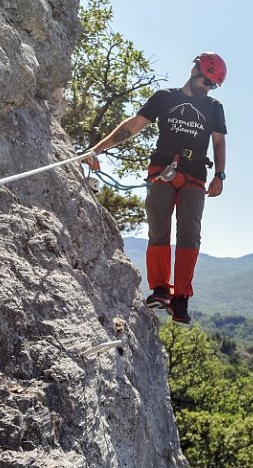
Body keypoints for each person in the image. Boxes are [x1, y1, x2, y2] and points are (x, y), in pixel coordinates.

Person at [85, 52, 228, 324]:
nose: (208, 89)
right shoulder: (165, 98)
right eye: (206, 82)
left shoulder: (214, 107)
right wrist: (97, 149)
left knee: (190, 235)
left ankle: (181, 298)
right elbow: (132, 127)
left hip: (196, 173)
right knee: (158, 230)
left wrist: (219, 175)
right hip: (162, 170)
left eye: (213, 86)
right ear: (195, 71)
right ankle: (160, 290)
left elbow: (219, 143)